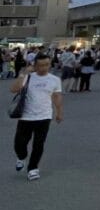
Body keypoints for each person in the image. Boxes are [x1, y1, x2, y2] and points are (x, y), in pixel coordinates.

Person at [11, 52, 63, 181]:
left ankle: (33, 168)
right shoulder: (28, 77)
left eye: (47, 65)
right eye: (40, 65)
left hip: (44, 117)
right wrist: (24, 73)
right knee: (19, 144)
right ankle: (21, 157)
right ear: (35, 65)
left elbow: (56, 96)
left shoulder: (54, 80)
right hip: (26, 117)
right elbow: (13, 89)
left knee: (39, 144)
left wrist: (59, 112)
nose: (44, 68)